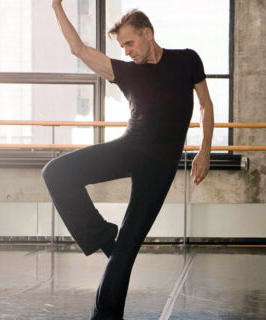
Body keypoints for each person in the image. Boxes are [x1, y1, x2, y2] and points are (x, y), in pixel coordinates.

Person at [42, 1, 214, 319]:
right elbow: (78, 49)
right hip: (130, 147)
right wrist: (56, 6)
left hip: (161, 166)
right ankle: (104, 238)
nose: (127, 51)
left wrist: (205, 149)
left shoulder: (187, 60)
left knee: (127, 249)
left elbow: (204, 104)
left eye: (129, 43)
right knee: (56, 172)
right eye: (122, 47)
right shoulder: (127, 72)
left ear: (147, 33)